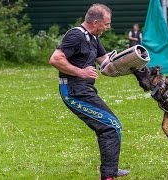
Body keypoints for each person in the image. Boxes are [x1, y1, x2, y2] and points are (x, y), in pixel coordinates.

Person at [49, 3, 129, 180]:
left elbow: (106, 62)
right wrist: (81, 72)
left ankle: (111, 171)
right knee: (110, 126)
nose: (108, 27)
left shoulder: (93, 38)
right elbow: (55, 59)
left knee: (111, 126)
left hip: (85, 89)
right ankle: (108, 175)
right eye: (106, 24)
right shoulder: (76, 35)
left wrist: (130, 62)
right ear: (95, 22)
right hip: (72, 91)